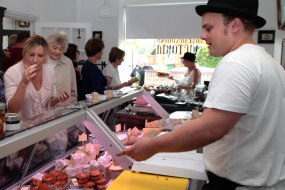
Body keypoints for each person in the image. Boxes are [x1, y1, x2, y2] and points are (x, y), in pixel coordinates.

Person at [118, 0, 285, 189]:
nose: (202, 36)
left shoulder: (237, 62)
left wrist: (152, 146)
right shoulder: (269, 63)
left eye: (209, 28)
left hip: (238, 184)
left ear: (235, 25)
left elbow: (211, 129)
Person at [4, 35, 68, 119]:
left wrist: (57, 99)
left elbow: (45, 104)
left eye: (40, 56)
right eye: (31, 55)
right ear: (24, 53)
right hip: (22, 129)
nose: (35, 60)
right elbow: (13, 110)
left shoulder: (48, 72)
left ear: (45, 57)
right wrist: (23, 83)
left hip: (44, 125)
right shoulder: (12, 73)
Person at [46, 33, 77, 107]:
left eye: (61, 49)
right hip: (45, 109)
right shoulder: (41, 61)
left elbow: (73, 90)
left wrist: (72, 108)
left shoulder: (68, 62)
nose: (57, 51)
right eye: (54, 48)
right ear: (47, 46)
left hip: (64, 108)